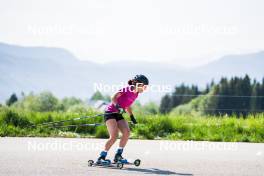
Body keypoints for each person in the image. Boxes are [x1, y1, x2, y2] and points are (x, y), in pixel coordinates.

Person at [96, 74, 149, 164]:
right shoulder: (128, 89)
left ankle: (118, 156)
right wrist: (118, 106)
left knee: (127, 132)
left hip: (118, 114)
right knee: (114, 136)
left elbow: (127, 105)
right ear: (137, 84)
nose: (144, 88)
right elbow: (113, 97)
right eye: (143, 86)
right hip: (110, 113)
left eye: (145, 86)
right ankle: (101, 157)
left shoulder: (136, 94)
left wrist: (132, 116)